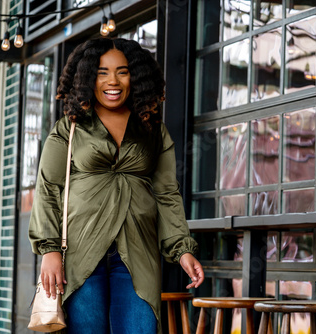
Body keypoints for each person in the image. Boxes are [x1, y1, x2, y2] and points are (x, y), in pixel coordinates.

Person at [28, 37, 204, 334]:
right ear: (87, 78)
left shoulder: (153, 130)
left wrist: (182, 249)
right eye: (102, 72)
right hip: (80, 253)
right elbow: (48, 190)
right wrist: (50, 251)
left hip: (138, 253)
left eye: (122, 71)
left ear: (136, 76)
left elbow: (166, 194)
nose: (114, 81)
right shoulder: (69, 128)